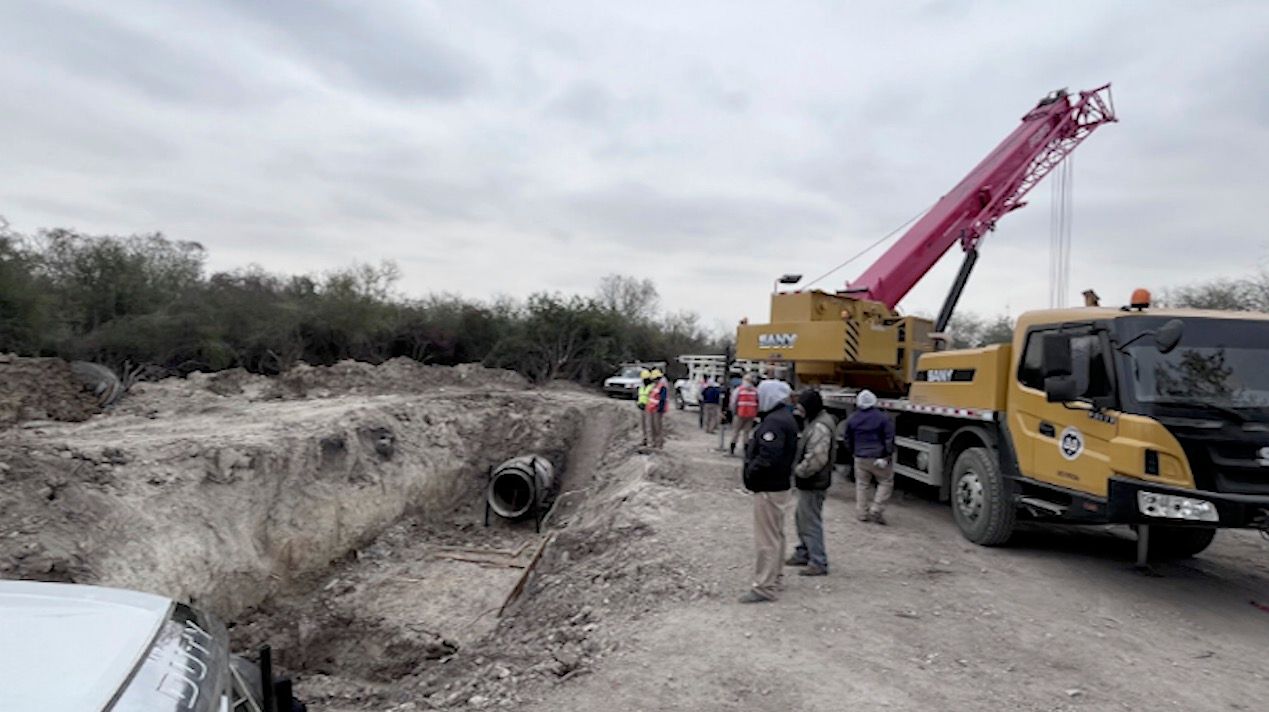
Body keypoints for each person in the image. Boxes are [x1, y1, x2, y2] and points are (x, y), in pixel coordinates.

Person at [739, 379, 798, 603]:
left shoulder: (773, 423)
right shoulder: (785, 418)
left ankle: (764, 586)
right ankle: (776, 577)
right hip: (780, 486)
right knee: (777, 534)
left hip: (768, 487)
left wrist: (751, 474)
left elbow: (768, 456)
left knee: (766, 539)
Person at [786, 389, 837, 576]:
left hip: (813, 481)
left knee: (811, 521)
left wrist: (799, 471)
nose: (799, 412)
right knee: (802, 517)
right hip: (811, 481)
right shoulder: (817, 421)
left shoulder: (820, 427)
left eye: (801, 407)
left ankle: (818, 561)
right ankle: (804, 552)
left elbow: (817, 457)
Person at [844, 389, 896, 524]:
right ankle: (876, 508)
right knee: (885, 481)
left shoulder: (852, 418)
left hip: (860, 456)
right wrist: (887, 455)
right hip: (878, 456)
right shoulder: (883, 418)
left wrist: (854, 452)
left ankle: (862, 513)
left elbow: (847, 439)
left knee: (862, 484)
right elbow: (889, 438)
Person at [728, 374, 759, 455]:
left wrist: (733, 412)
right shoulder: (755, 391)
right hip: (751, 414)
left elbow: (733, 402)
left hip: (739, 413)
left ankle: (732, 449)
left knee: (735, 432)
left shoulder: (739, 389)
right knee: (747, 433)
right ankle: (746, 450)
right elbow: (758, 403)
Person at [646, 369, 670, 449]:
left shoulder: (662, 387)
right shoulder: (654, 386)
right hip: (651, 409)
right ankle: (653, 443)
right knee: (652, 427)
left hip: (657, 410)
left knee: (657, 427)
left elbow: (662, 399)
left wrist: (660, 408)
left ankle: (659, 444)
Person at [636, 369, 654, 446]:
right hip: (642, 407)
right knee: (643, 425)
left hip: (649, 408)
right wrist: (638, 403)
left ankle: (651, 442)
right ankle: (644, 440)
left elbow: (653, 398)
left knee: (649, 425)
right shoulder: (641, 387)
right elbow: (640, 396)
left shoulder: (652, 387)